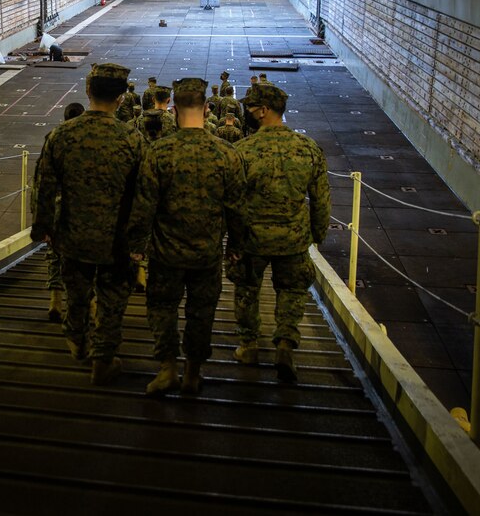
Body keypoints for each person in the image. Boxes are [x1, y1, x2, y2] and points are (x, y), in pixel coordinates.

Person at [128, 78, 247, 396]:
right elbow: (236, 208)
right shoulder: (226, 153)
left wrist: (137, 248)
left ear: (175, 109)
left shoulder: (159, 153)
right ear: (207, 108)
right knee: (201, 311)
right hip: (207, 254)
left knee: (162, 307)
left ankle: (167, 369)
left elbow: (144, 205)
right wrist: (235, 246)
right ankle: (193, 373)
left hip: (166, 253)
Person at [32, 63, 145, 386]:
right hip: (116, 241)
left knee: (77, 295)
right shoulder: (132, 140)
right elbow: (143, 196)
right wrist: (139, 243)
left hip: (72, 236)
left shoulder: (61, 135)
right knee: (110, 303)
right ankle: (103, 359)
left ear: (87, 92)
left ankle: (76, 342)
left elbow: (45, 188)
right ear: (122, 99)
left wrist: (43, 229)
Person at [229, 84, 330, 383]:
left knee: (247, 291)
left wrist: (231, 239)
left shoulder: (243, 151)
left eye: (250, 107)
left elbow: (232, 201)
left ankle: (248, 345)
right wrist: (317, 234)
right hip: (294, 238)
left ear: (263, 111)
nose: (247, 112)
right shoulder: (307, 148)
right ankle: (285, 344)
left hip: (252, 239)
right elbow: (321, 199)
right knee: (292, 292)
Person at [36, 101, 85, 322]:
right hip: (82, 211)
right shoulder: (89, 142)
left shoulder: (53, 139)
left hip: (56, 208)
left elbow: (41, 181)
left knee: (54, 256)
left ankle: (55, 300)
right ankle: (86, 305)